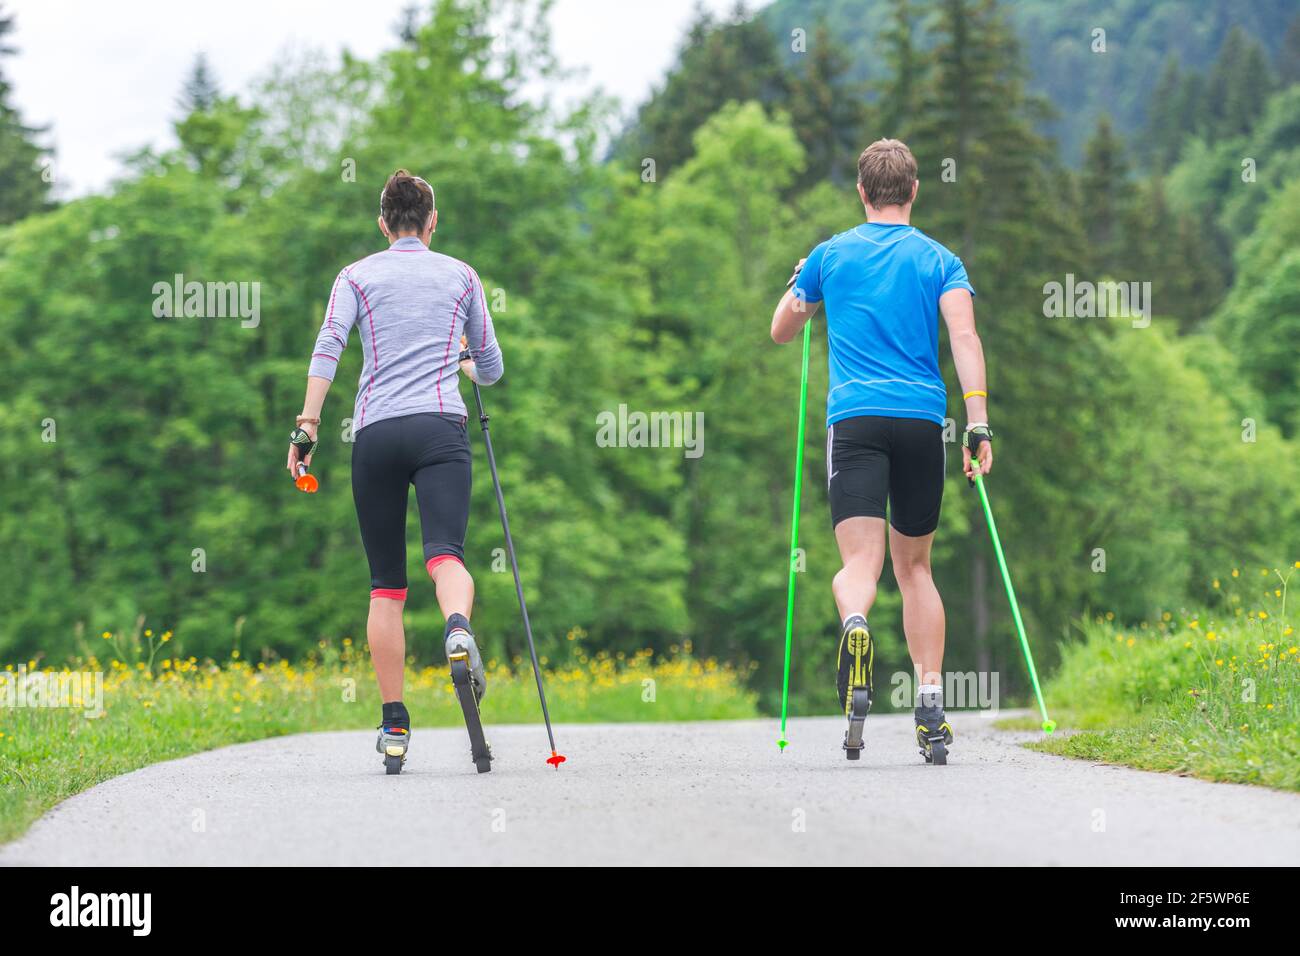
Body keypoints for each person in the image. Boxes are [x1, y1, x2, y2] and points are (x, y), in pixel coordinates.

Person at [769, 139, 992, 761]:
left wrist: (799, 284)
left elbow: (782, 330)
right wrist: (978, 425)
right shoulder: (941, 260)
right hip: (923, 422)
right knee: (915, 568)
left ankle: (856, 627)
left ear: (862, 193)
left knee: (860, 566)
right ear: (914, 191)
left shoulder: (830, 254)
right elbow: (965, 336)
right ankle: (928, 705)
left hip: (857, 421)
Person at [287, 169, 503, 770]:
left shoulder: (355, 275)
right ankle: (457, 627)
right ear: (432, 222)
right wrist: (465, 365)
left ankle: (395, 726)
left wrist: (307, 425)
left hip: (375, 434)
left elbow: (328, 345)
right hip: (441, 428)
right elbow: (491, 365)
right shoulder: (462, 276)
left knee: (386, 586)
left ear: (384, 224)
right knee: (445, 556)